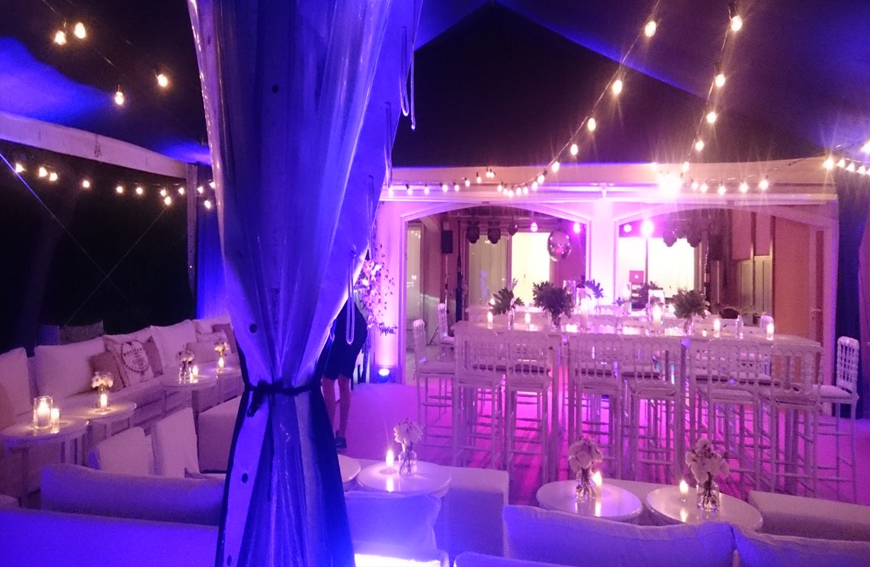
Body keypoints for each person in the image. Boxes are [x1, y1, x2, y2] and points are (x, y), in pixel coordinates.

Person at [321, 298, 367, 450]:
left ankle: (327, 437)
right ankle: (341, 436)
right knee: (343, 380)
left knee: (327, 381)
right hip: (357, 326)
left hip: (345, 328)